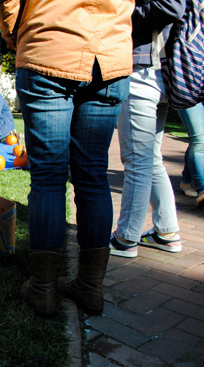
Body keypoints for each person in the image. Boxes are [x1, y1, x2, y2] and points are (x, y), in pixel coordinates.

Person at [0, 0, 133, 316]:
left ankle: (42, 289)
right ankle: (90, 287)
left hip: (49, 42)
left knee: (48, 175)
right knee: (93, 173)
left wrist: (15, 34)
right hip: (110, 52)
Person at [110, 0, 186, 259]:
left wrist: (121, 14)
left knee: (137, 160)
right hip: (160, 70)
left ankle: (125, 237)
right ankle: (166, 232)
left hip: (142, 69)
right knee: (151, 159)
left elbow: (172, 6)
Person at [178, 103, 204, 207]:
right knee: (199, 141)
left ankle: (186, 181)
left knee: (198, 141)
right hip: (190, 93)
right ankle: (202, 189)